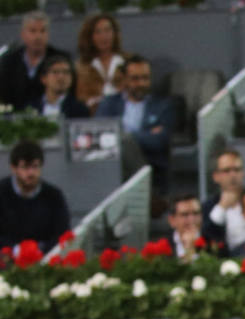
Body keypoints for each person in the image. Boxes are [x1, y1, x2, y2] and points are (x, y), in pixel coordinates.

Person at [94, 54, 177, 191]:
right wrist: (146, 134)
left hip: (150, 163)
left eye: (145, 78)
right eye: (135, 79)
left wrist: (124, 136)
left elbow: (159, 141)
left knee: (125, 141)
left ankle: (144, 191)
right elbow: (99, 134)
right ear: (125, 80)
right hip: (112, 165)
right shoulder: (109, 104)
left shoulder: (163, 106)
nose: (141, 84)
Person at [0, 139, 71, 254]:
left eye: (35, 166)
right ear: (14, 168)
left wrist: (40, 249)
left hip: (44, 258)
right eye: (25, 167)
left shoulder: (53, 195)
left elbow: (63, 233)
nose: (30, 173)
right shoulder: (2, 192)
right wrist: (15, 250)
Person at [1, 12, 70, 111]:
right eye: (33, 31)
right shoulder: (9, 61)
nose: (38, 36)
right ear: (23, 34)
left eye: (42, 31)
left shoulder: (61, 59)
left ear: (48, 34)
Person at [74, 13, 125, 113]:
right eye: (97, 32)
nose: (104, 36)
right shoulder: (80, 67)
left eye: (107, 30)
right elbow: (80, 97)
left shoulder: (127, 62)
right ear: (89, 36)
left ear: (115, 33)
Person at [203, 148, 245, 250]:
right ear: (216, 176)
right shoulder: (207, 207)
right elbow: (206, 238)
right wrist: (222, 207)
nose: (233, 175)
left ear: (243, 173)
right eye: (226, 171)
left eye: (237, 170)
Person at [31, 54, 90, 119]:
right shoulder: (31, 108)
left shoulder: (80, 110)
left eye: (66, 72)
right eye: (55, 72)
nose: (61, 77)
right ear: (44, 78)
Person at [166, 193, 206, 260]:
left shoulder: (213, 242)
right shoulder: (161, 247)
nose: (192, 219)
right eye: (185, 215)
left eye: (196, 213)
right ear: (172, 220)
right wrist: (189, 248)